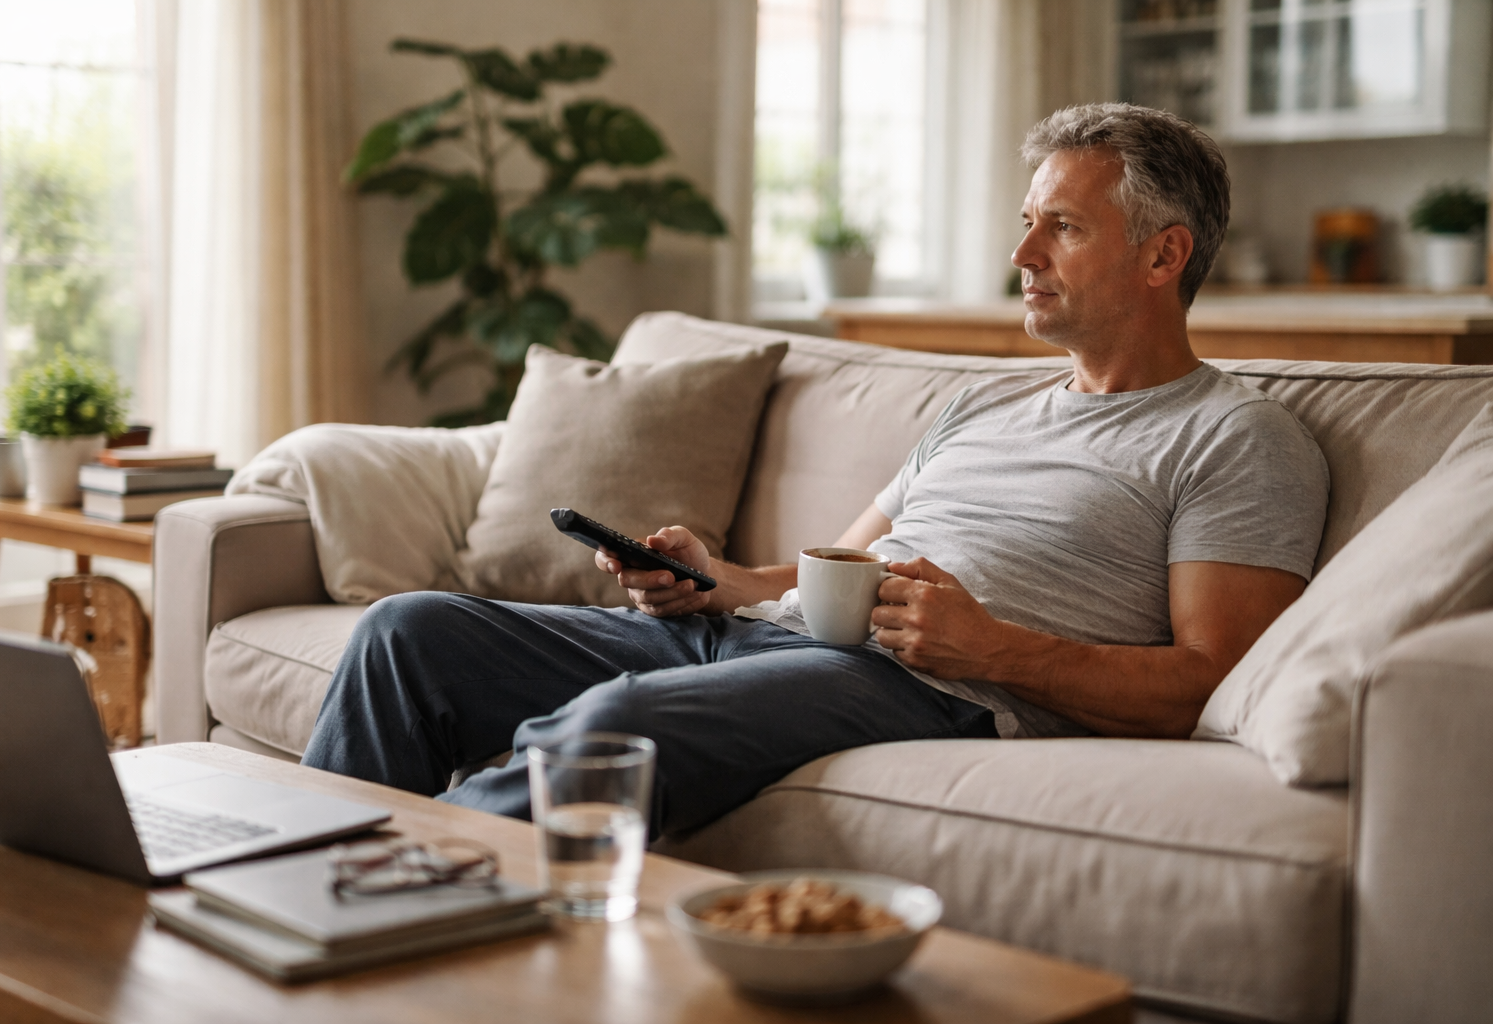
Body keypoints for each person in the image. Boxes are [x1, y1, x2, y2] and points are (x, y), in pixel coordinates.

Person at [301, 104, 1329, 837]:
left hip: (929, 686)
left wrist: (996, 648)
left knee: (614, 732)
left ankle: (392, 914)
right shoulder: (982, 403)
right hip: (766, 640)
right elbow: (839, 570)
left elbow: (1203, 681)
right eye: (1027, 221)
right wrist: (718, 577)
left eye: (1061, 226)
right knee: (410, 632)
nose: (1023, 254)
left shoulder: (1237, 438)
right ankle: (291, 886)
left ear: (1163, 257)